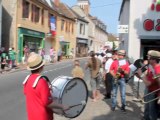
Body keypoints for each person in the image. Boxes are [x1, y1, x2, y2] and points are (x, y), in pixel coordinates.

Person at [23, 52, 68, 120]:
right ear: (41, 67)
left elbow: (32, 95)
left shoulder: (27, 79)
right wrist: (62, 106)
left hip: (32, 116)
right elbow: (47, 103)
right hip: (43, 117)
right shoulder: (41, 81)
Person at [137, 50, 160, 120]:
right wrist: (139, 75)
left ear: (154, 59)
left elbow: (148, 83)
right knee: (147, 108)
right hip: (149, 90)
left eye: (149, 58)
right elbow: (147, 78)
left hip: (153, 92)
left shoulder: (157, 69)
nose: (147, 59)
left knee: (152, 113)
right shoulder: (151, 66)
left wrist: (141, 74)